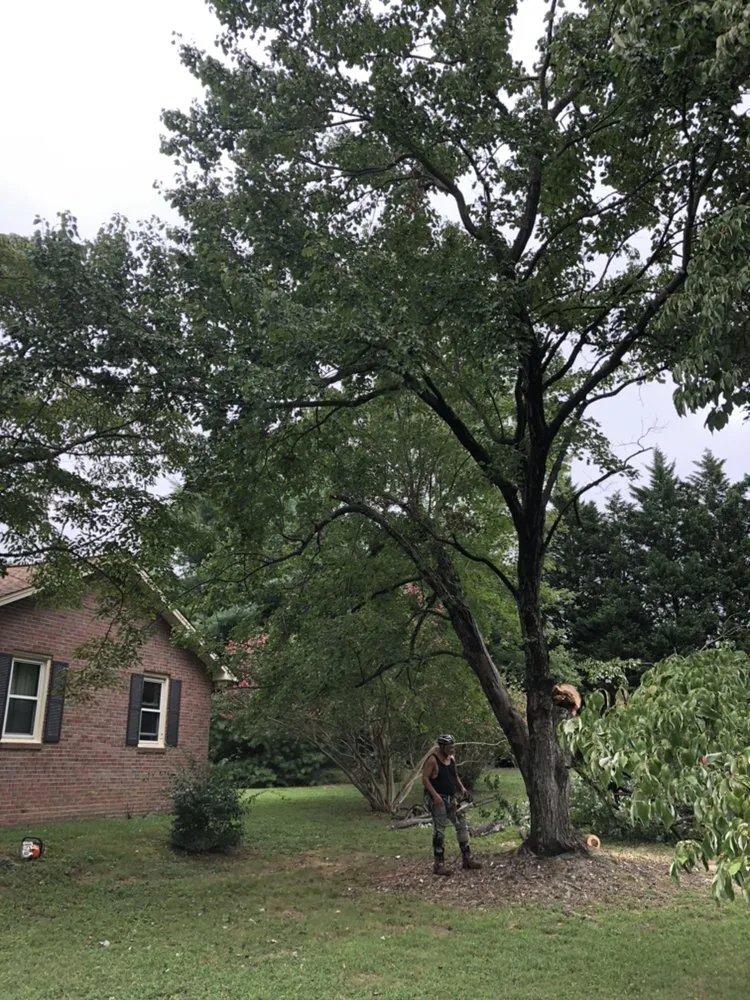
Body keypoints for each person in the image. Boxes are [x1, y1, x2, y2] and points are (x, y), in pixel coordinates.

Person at [422, 734, 482, 876]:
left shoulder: (452, 759)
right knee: (439, 831)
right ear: (442, 747)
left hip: (452, 799)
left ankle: (467, 859)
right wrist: (435, 796)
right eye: (449, 747)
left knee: (462, 826)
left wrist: (461, 787)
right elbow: (425, 779)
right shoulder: (432, 760)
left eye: (452, 747)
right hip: (439, 800)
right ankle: (439, 864)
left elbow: (454, 776)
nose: (451, 750)